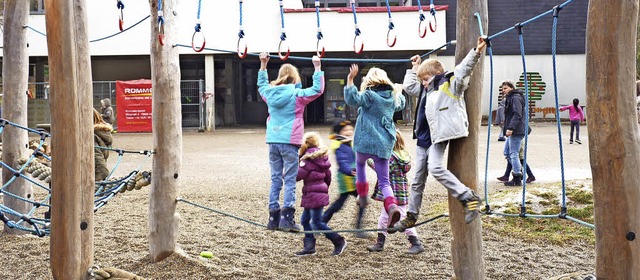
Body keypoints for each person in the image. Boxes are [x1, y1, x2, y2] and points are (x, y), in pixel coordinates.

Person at [395, 37, 486, 232]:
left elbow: (463, 70)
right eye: (422, 81)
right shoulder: (425, 88)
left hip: (438, 137)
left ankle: (468, 196)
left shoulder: (448, 84)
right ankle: (411, 215)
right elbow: (409, 87)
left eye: (426, 79)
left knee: (435, 168)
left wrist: (476, 51)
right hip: (423, 140)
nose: (424, 84)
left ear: (438, 74)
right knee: (417, 179)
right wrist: (415, 68)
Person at [258, 53, 324, 232]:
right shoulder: (297, 95)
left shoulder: (269, 93)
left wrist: (263, 64)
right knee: (289, 180)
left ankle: (273, 218)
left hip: (273, 139)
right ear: (295, 78)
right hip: (290, 140)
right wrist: (317, 67)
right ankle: (287, 219)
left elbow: (262, 85)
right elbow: (317, 90)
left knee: (275, 178)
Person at [343, 65, 406, 229]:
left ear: (369, 81)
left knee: (360, 165)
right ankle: (392, 207)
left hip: (365, 141)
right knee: (385, 181)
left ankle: (362, 195)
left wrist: (350, 79)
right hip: (384, 143)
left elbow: (352, 99)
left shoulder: (369, 95)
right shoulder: (392, 98)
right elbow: (401, 104)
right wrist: (398, 91)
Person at [367, 129, 425, 254]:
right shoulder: (403, 155)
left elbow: (380, 168)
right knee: (383, 219)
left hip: (394, 196)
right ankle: (380, 243)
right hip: (400, 194)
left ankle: (416, 243)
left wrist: (369, 159)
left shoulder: (392, 158)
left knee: (402, 219)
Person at [294, 132, 347, 256]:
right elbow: (328, 177)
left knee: (317, 222)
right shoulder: (322, 158)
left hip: (312, 194)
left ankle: (339, 241)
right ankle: (309, 247)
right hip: (317, 193)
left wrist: (298, 159)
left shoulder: (306, 160)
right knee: (305, 220)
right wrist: (323, 190)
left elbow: (297, 176)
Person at [321, 120, 369, 239]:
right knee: (341, 203)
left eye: (350, 129)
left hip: (355, 176)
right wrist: (349, 170)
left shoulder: (349, 143)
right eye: (345, 130)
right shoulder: (339, 145)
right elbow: (342, 161)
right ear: (339, 132)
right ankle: (321, 222)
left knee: (351, 202)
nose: (349, 132)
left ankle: (322, 222)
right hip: (347, 178)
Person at [500, 80, 531, 187]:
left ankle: (517, 177)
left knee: (513, 153)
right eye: (503, 88)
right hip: (515, 129)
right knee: (507, 152)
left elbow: (517, 114)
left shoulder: (515, 98)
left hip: (516, 130)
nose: (503, 90)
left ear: (511, 88)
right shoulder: (511, 98)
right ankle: (519, 172)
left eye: (505, 88)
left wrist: (511, 128)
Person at [93, 108, 114, 181]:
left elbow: (97, 156)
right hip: (100, 166)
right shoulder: (103, 132)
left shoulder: (92, 136)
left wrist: (103, 175)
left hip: (96, 173)